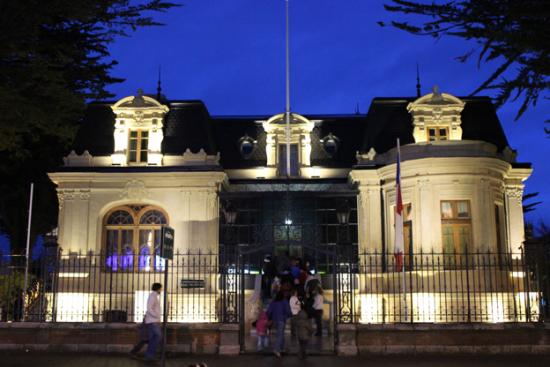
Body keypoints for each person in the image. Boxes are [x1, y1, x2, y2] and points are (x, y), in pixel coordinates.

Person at [266, 291, 291, 358]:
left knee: (281, 334)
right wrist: (288, 316)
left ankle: (281, 348)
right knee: (280, 335)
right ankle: (277, 349)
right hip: (281, 320)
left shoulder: (273, 302)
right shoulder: (284, 301)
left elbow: (269, 311)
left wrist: (270, 318)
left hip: (274, 320)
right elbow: (288, 311)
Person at [144, 282, 162, 362]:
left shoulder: (154, 296)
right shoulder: (153, 296)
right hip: (152, 321)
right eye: (161, 288)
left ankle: (149, 356)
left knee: (152, 339)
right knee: (158, 336)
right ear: (158, 288)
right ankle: (150, 355)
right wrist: (156, 316)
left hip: (152, 321)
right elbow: (149, 308)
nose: (161, 290)